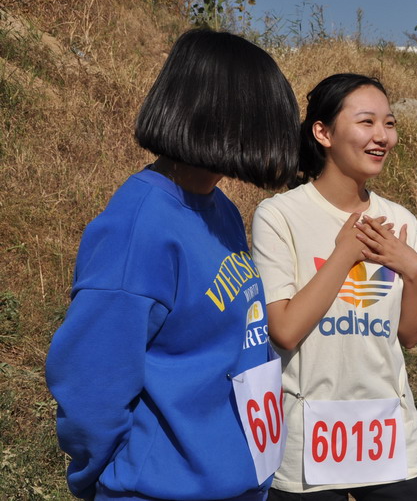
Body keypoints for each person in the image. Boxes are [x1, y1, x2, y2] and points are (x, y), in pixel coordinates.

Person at [45, 28, 300, 500]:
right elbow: (90, 386)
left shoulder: (217, 205)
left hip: (238, 480)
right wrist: (110, 476)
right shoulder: (137, 230)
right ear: (228, 118)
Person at [251, 73, 417, 500]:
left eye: (388, 123)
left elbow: (411, 335)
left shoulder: (401, 221)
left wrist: (412, 271)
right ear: (323, 132)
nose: (382, 137)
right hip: (307, 442)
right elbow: (283, 329)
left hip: (390, 435)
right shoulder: (279, 216)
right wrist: (344, 253)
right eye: (367, 122)